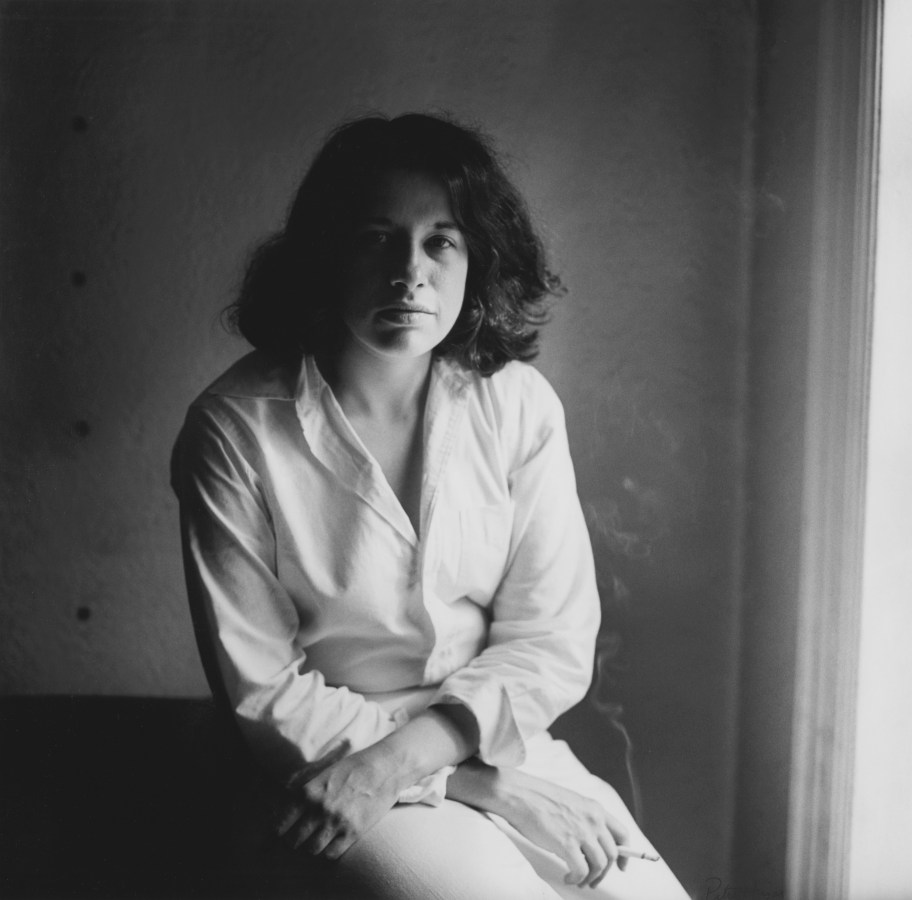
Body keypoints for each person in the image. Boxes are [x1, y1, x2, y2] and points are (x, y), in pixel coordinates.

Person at [173, 112, 689, 899]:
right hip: (323, 756)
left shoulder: (517, 405)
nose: (409, 273)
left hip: (491, 733)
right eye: (376, 238)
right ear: (325, 253)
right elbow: (264, 689)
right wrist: (472, 786)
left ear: (476, 258)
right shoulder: (234, 430)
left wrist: (458, 768)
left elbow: (550, 639)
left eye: (440, 242)